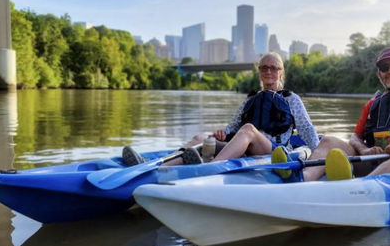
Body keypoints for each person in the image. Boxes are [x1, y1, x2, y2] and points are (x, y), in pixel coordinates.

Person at [279, 46, 390, 182]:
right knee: (329, 140)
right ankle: (304, 179)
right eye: (384, 67)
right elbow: (355, 137)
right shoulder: (372, 103)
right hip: (376, 161)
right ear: (379, 74)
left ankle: (363, 186)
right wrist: (364, 149)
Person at [122, 52, 320, 168]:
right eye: (264, 67)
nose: (269, 71)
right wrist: (222, 134)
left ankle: (210, 167)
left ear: (281, 72)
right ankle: (153, 166)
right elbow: (233, 126)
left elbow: (306, 129)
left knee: (249, 129)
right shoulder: (252, 99)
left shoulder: (291, 99)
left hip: (273, 150)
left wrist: (319, 154)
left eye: (274, 68)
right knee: (202, 139)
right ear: (259, 71)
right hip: (246, 149)